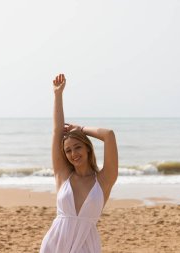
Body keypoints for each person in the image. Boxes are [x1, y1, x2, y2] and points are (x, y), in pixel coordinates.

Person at [40, 74, 118, 253]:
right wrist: (58, 95)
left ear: (88, 148)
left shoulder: (104, 180)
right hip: (55, 245)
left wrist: (81, 129)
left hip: (86, 247)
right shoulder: (63, 176)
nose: (73, 154)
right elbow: (57, 131)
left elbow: (109, 135)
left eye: (77, 147)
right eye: (68, 150)